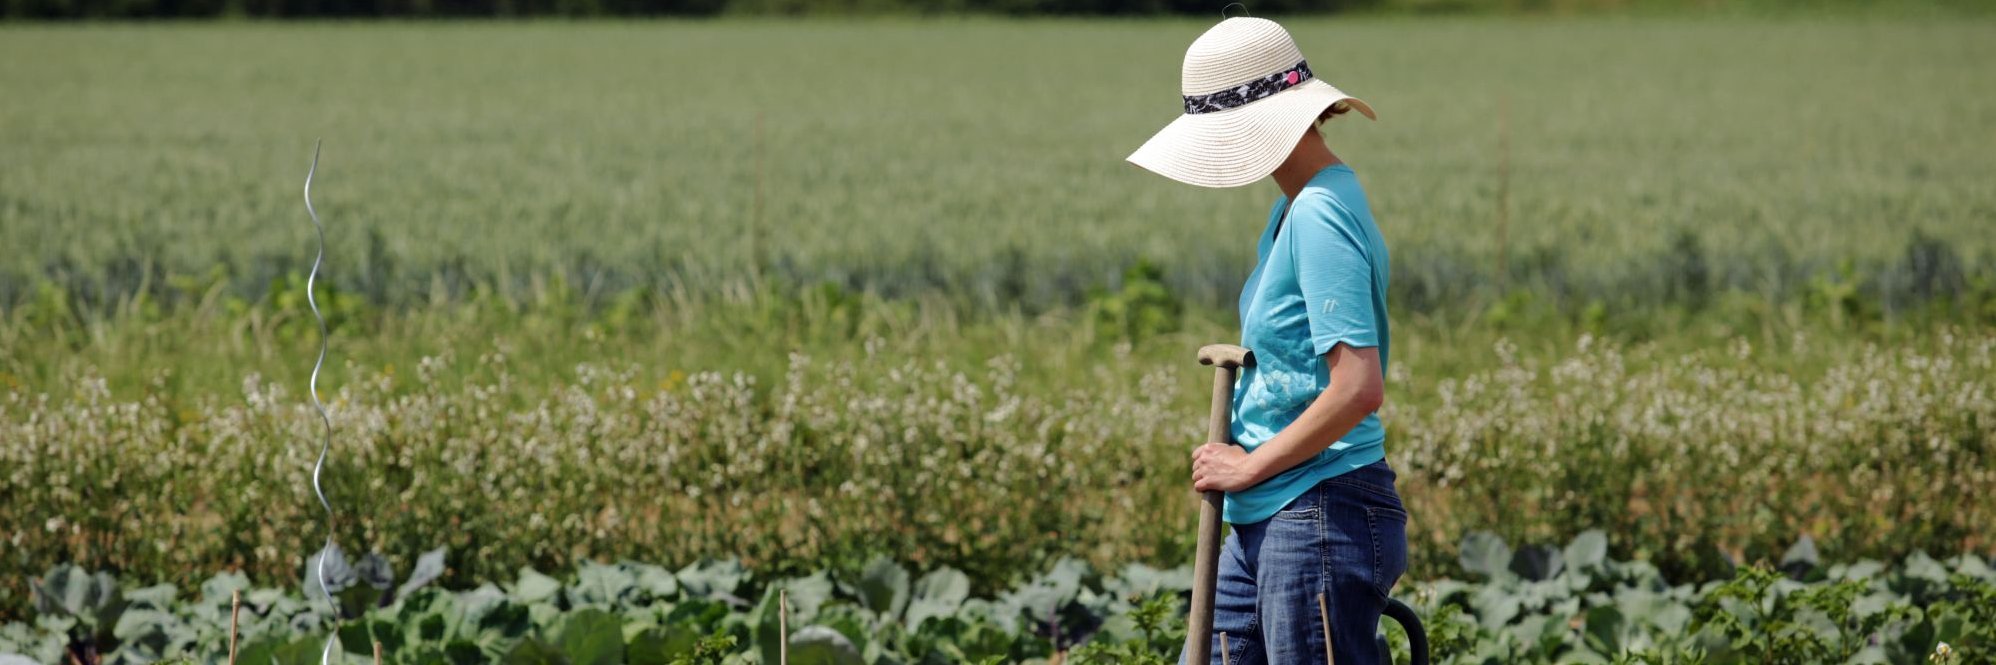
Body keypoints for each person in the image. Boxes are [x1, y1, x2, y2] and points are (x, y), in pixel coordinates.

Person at [1128, 16, 1408, 665]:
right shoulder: (1292, 208)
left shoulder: (1321, 213)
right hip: (1269, 514)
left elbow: (1358, 385)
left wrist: (1247, 465)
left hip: (1318, 510)